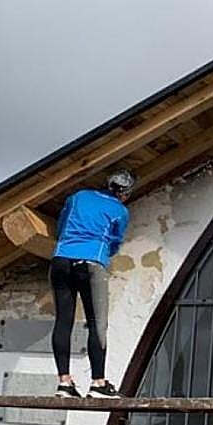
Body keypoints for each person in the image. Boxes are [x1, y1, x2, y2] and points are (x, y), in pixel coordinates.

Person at [49, 170, 134, 398]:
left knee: (63, 321)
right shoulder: (120, 211)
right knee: (97, 323)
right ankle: (98, 383)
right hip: (91, 261)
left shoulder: (79, 196)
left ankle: (64, 383)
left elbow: (61, 225)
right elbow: (115, 242)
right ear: (125, 193)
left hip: (60, 259)